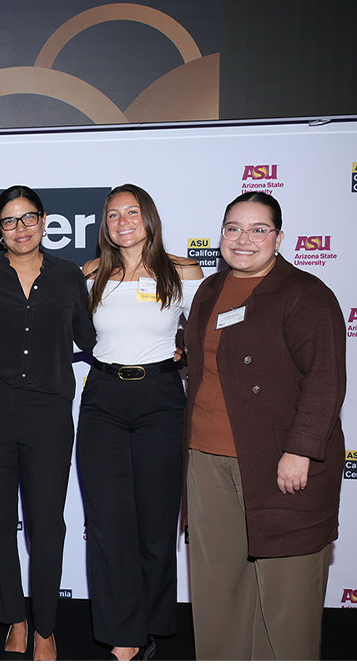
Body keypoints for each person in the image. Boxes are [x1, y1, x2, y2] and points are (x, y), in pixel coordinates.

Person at [184, 192, 344, 660]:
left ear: (278, 237)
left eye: (258, 229)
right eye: (233, 228)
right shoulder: (211, 290)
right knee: (218, 591)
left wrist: (302, 450)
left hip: (281, 464)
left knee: (286, 598)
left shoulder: (307, 294)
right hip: (206, 460)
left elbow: (325, 379)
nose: (244, 239)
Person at [76, 184, 203, 660]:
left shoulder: (182, 271)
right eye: (113, 214)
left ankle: (151, 624)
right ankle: (122, 635)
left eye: (132, 212)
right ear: (104, 225)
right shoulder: (91, 274)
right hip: (103, 399)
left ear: (148, 217)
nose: (122, 221)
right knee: (108, 525)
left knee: (154, 524)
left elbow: (209, 333)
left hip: (161, 400)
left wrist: (186, 354)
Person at [0, 186, 95, 660]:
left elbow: (87, 337)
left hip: (50, 412)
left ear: (44, 221)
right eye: (9, 221)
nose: (20, 228)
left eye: (28, 218)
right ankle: (16, 620)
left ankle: (46, 625)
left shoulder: (69, 275)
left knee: (47, 525)